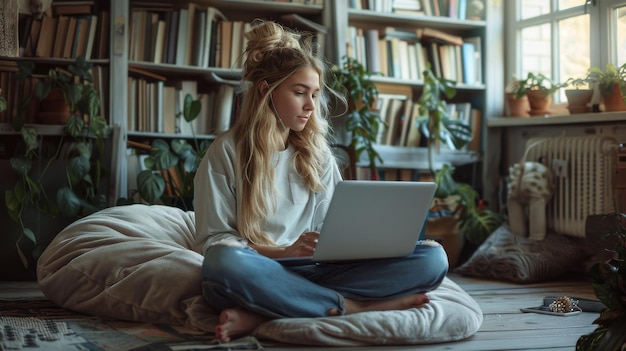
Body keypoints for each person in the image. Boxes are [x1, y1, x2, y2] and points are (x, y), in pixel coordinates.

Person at [194, 20, 449, 343]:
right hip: (260, 269)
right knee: (223, 262)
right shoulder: (226, 152)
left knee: (432, 257)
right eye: (299, 93)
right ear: (266, 91)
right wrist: (284, 251)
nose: (311, 106)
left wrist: (361, 244)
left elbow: (334, 229)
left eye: (314, 94)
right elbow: (213, 243)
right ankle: (353, 307)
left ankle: (268, 310)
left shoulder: (318, 155)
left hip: (317, 271)